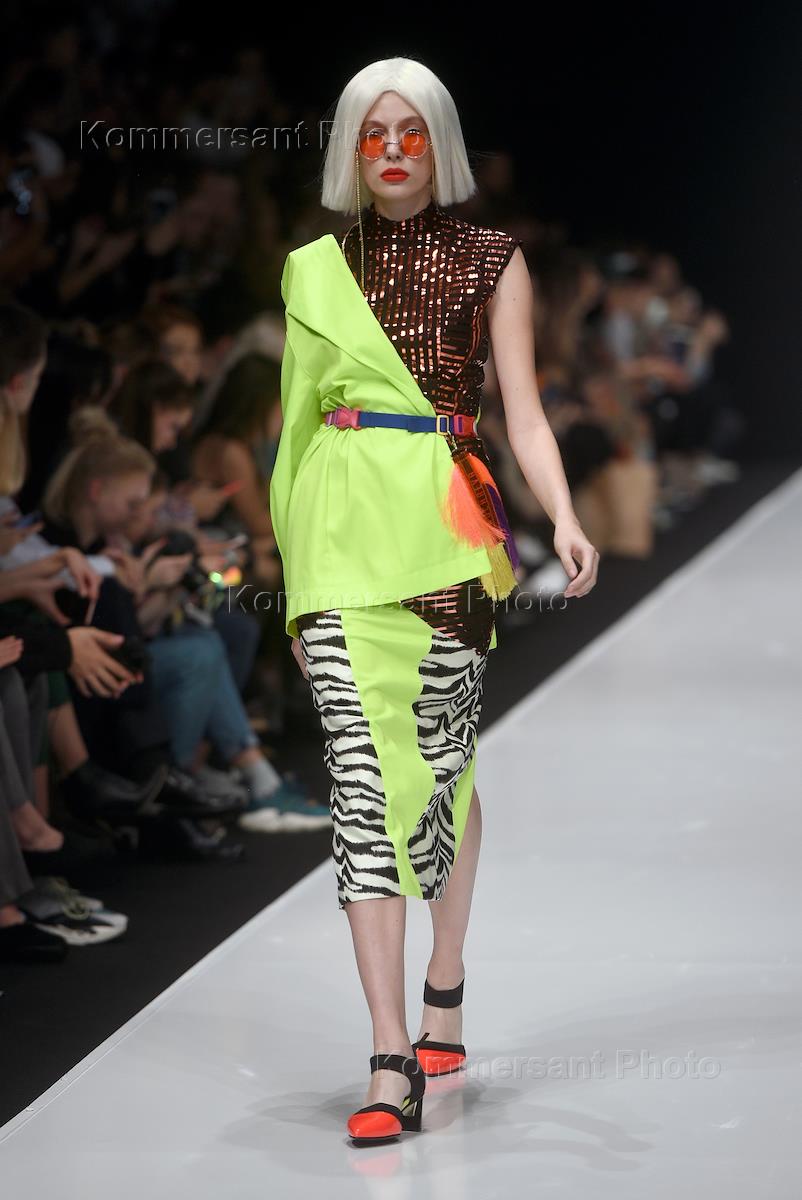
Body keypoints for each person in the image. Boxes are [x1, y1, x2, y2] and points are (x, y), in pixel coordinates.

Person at [269, 56, 599, 1145]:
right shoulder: (312, 269)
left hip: (445, 535)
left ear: (439, 143)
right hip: (335, 535)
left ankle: (444, 979)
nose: (394, 150)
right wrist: (292, 576)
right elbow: (294, 431)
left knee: (443, 766)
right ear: (350, 148)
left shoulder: (492, 258)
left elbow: (525, 413)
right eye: (374, 133)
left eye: (412, 131)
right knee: (361, 782)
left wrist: (563, 514)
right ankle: (386, 1051)